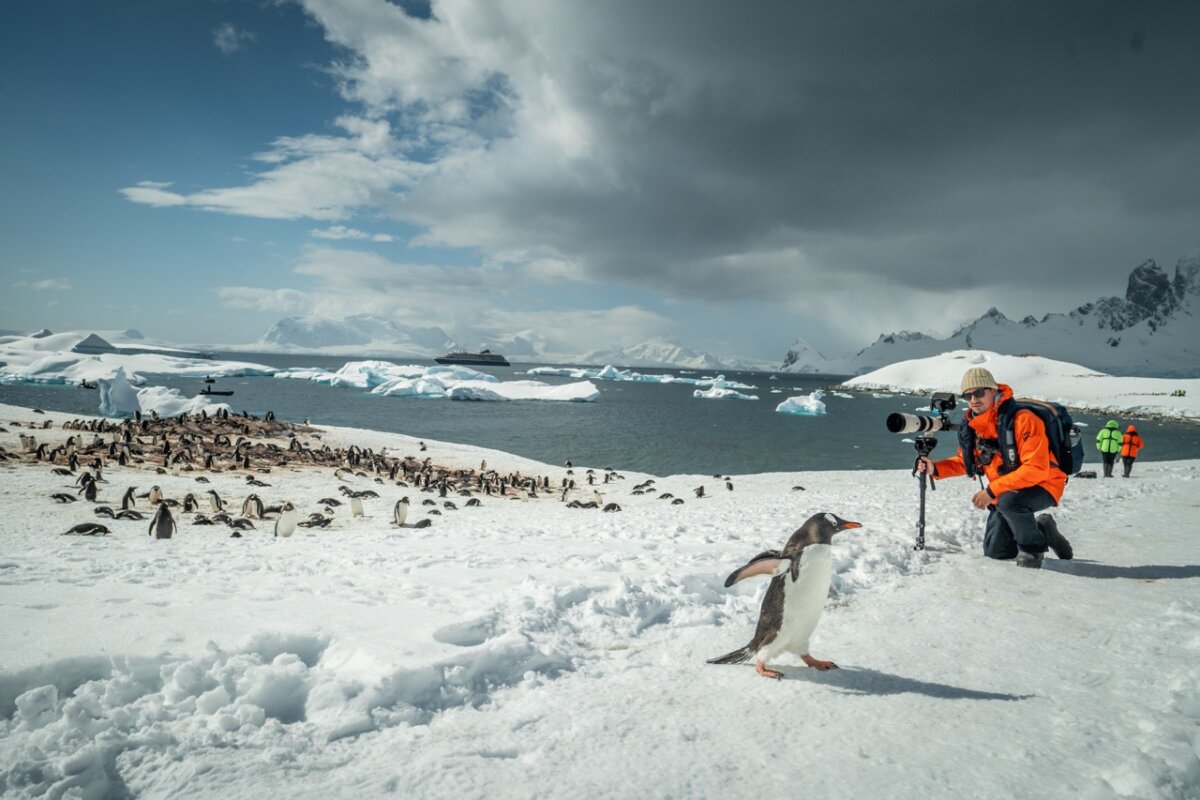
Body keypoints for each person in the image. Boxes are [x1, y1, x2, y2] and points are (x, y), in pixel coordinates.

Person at [916, 367, 1074, 569]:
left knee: (1009, 502)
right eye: (968, 395)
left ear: (993, 390)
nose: (974, 399)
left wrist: (991, 490)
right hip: (1007, 489)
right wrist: (935, 469)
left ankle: (1033, 549)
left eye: (979, 392)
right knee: (996, 551)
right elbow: (965, 462)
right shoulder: (974, 426)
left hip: (1044, 483)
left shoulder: (1023, 419)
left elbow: (1036, 468)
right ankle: (1044, 529)